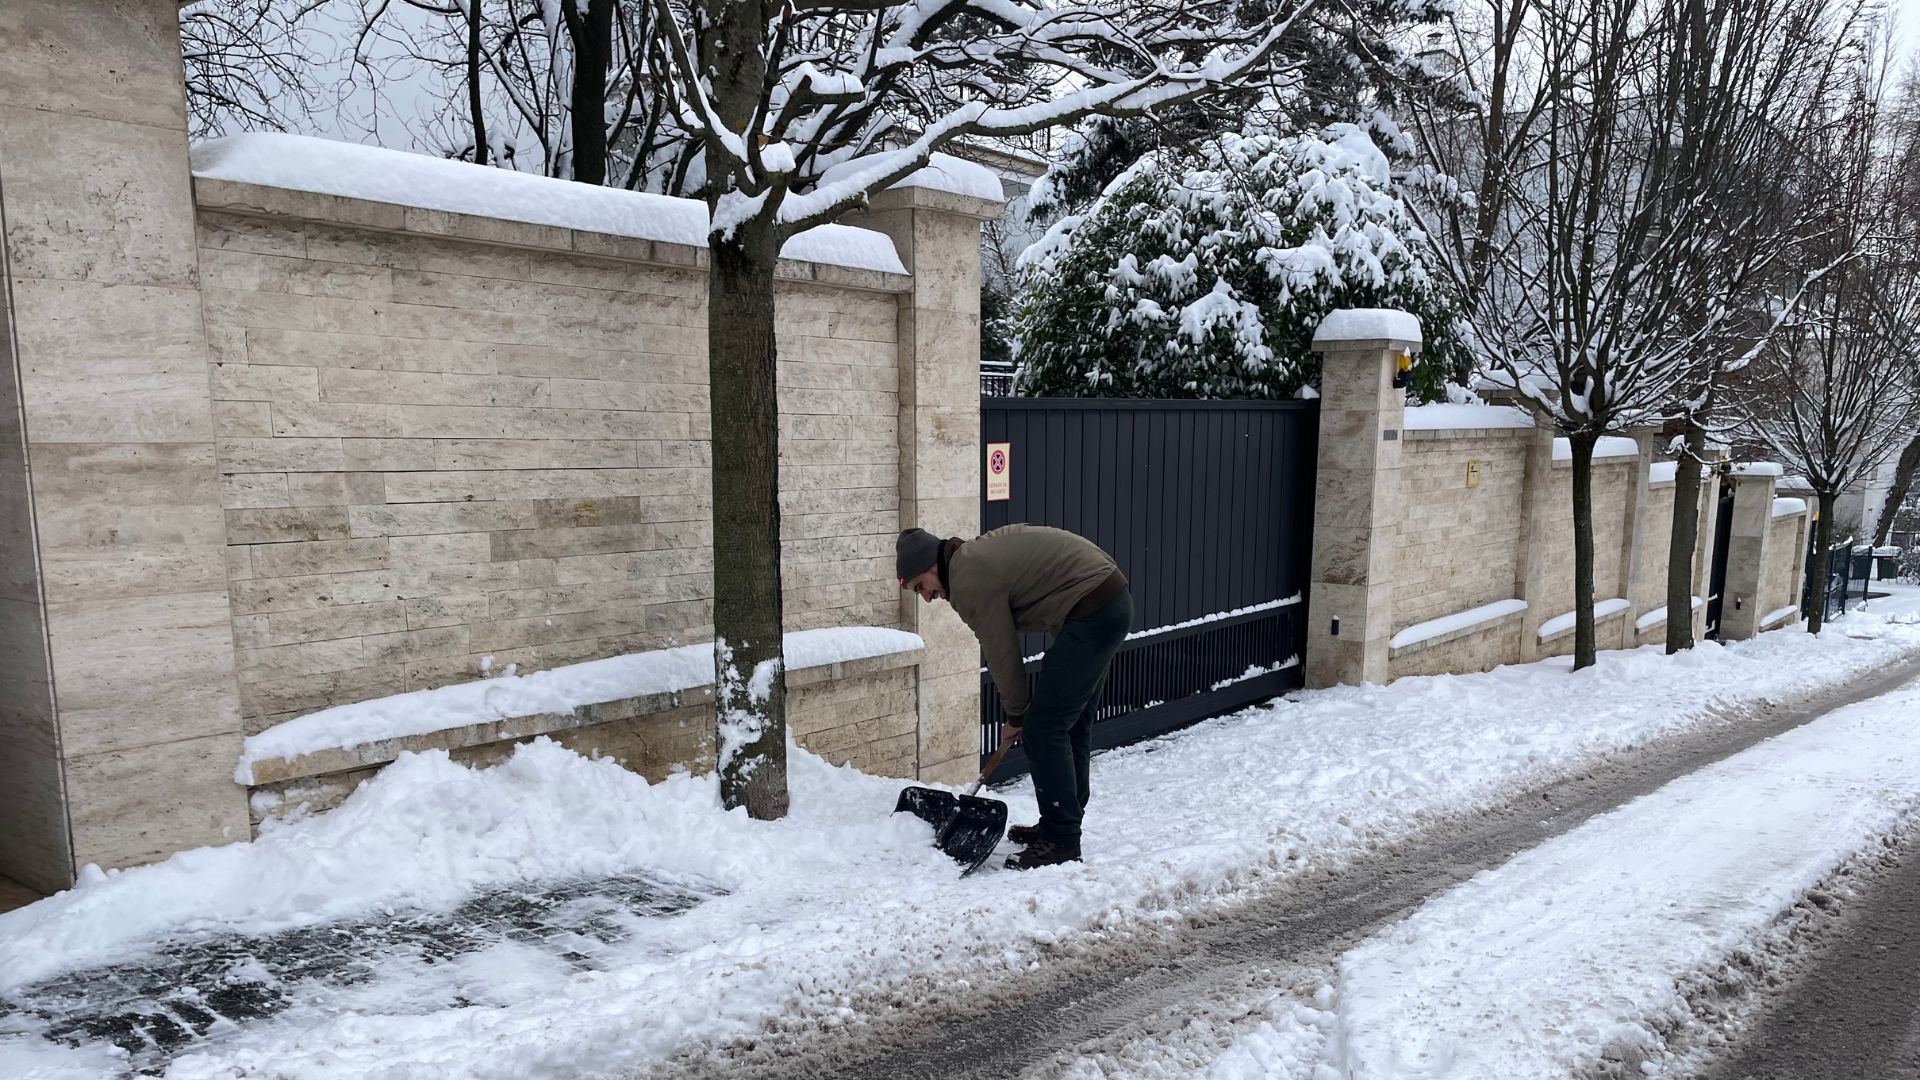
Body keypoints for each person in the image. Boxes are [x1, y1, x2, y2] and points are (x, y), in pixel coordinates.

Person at [896, 524, 1132, 869]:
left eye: (921, 587)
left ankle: (1063, 839)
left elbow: (1002, 653)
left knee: (1044, 727)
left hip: (1094, 611)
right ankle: (1062, 820)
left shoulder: (967, 579)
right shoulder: (971, 560)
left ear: (930, 566)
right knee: (1069, 722)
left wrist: (1017, 716)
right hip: (1105, 603)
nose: (928, 597)